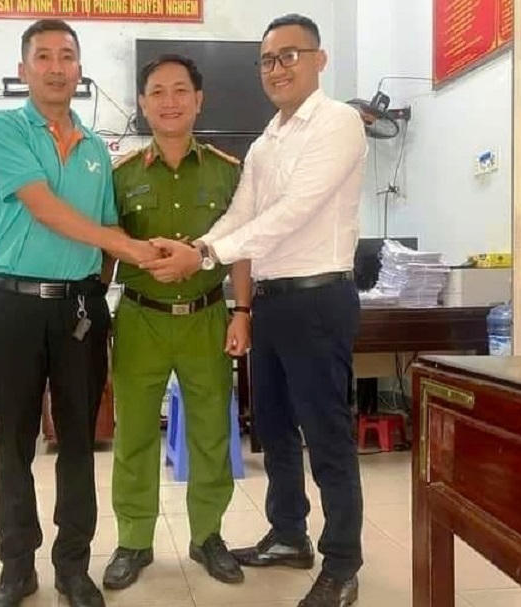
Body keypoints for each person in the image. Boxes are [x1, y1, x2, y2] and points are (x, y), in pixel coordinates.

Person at [141, 13, 367, 607]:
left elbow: (293, 212)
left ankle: (342, 562)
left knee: (326, 435)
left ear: (319, 60)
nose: (277, 68)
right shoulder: (267, 141)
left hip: (318, 297)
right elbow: (242, 213)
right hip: (270, 302)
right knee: (273, 427)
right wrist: (198, 246)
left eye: (290, 55)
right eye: (268, 59)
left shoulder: (338, 122)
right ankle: (289, 533)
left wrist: (203, 254)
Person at [0, 19, 159, 607]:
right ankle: (16, 569)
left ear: (79, 69)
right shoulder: (4, 129)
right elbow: (44, 209)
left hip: (80, 308)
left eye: (67, 56)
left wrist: (98, 286)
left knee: (80, 441)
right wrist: (130, 248)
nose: (56, 67)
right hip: (14, 306)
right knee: (14, 444)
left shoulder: (96, 151)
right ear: (24, 69)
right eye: (44, 56)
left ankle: (73, 567)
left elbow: (105, 232)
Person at [101, 54, 252, 591]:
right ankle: (134, 540)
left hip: (206, 317)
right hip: (139, 320)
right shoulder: (120, 176)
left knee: (212, 433)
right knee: (134, 435)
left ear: (198, 100)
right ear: (143, 104)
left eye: (180, 90)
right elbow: (107, 253)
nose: (170, 101)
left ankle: (208, 536)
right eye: (158, 92)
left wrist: (242, 312)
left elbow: (241, 248)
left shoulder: (228, 171)